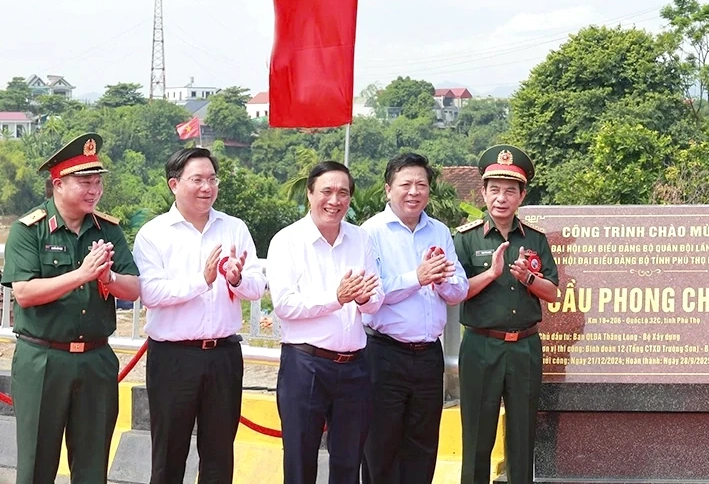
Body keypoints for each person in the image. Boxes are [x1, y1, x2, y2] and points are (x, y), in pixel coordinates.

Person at [0, 133, 141, 484]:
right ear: (58, 184)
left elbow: (135, 288)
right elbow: (25, 293)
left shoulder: (108, 230)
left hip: (96, 359)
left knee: (93, 466)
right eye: (84, 182)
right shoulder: (28, 230)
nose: (94, 190)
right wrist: (81, 275)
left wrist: (107, 277)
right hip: (43, 359)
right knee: (36, 465)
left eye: (97, 182)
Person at [133, 147, 267, 484]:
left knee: (220, 453)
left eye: (212, 179)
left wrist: (236, 278)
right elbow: (150, 293)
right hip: (173, 357)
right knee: (169, 454)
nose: (207, 187)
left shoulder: (233, 228)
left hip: (223, 355)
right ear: (174, 184)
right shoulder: (154, 233)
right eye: (197, 180)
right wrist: (202, 281)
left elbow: (257, 286)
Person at [266, 161, 384, 484]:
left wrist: (362, 299)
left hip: (354, 367)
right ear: (309, 194)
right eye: (327, 191)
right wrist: (338, 298)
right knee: (300, 461)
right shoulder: (286, 241)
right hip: (305, 365)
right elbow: (285, 305)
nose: (335, 201)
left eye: (343, 193)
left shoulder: (361, 239)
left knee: (349, 463)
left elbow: (377, 297)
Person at [452, 145, 559, 484]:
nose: (501, 198)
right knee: (477, 437)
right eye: (494, 190)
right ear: (482, 192)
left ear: (522, 195)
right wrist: (491, 274)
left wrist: (528, 278)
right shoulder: (466, 240)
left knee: (523, 433)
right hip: (482, 346)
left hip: (525, 347)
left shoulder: (536, 240)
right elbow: (454, 292)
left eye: (510, 191)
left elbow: (554, 293)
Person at [361, 153, 468, 484]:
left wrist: (442, 281)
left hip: (427, 356)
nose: (414, 192)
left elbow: (459, 289)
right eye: (405, 184)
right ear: (387, 189)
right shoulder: (370, 233)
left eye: (421, 184)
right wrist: (417, 277)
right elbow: (371, 295)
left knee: (422, 446)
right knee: (380, 446)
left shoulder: (438, 231)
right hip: (384, 354)